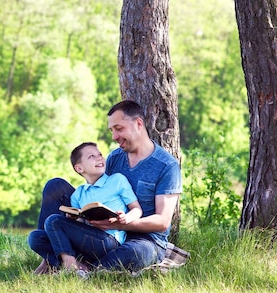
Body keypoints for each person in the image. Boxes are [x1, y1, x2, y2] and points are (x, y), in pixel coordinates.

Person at [31, 100, 182, 273]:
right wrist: (80, 216)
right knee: (54, 188)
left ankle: (83, 268)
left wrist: (119, 225)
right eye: (112, 130)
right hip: (103, 236)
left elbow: (162, 222)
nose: (114, 137)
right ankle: (52, 261)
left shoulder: (166, 165)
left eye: (119, 128)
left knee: (138, 252)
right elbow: (99, 193)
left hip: (143, 239)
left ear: (138, 124)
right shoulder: (115, 157)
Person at [27, 142, 142, 275]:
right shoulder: (78, 194)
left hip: (109, 240)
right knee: (35, 237)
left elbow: (137, 209)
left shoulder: (117, 180)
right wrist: (74, 219)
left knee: (53, 221)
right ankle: (78, 264)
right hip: (88, 242)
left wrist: (126, 218)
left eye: (100, 154)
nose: (99, 158)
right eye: (91, 156)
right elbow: (80, 227)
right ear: (79, 168)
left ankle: (70, 267)